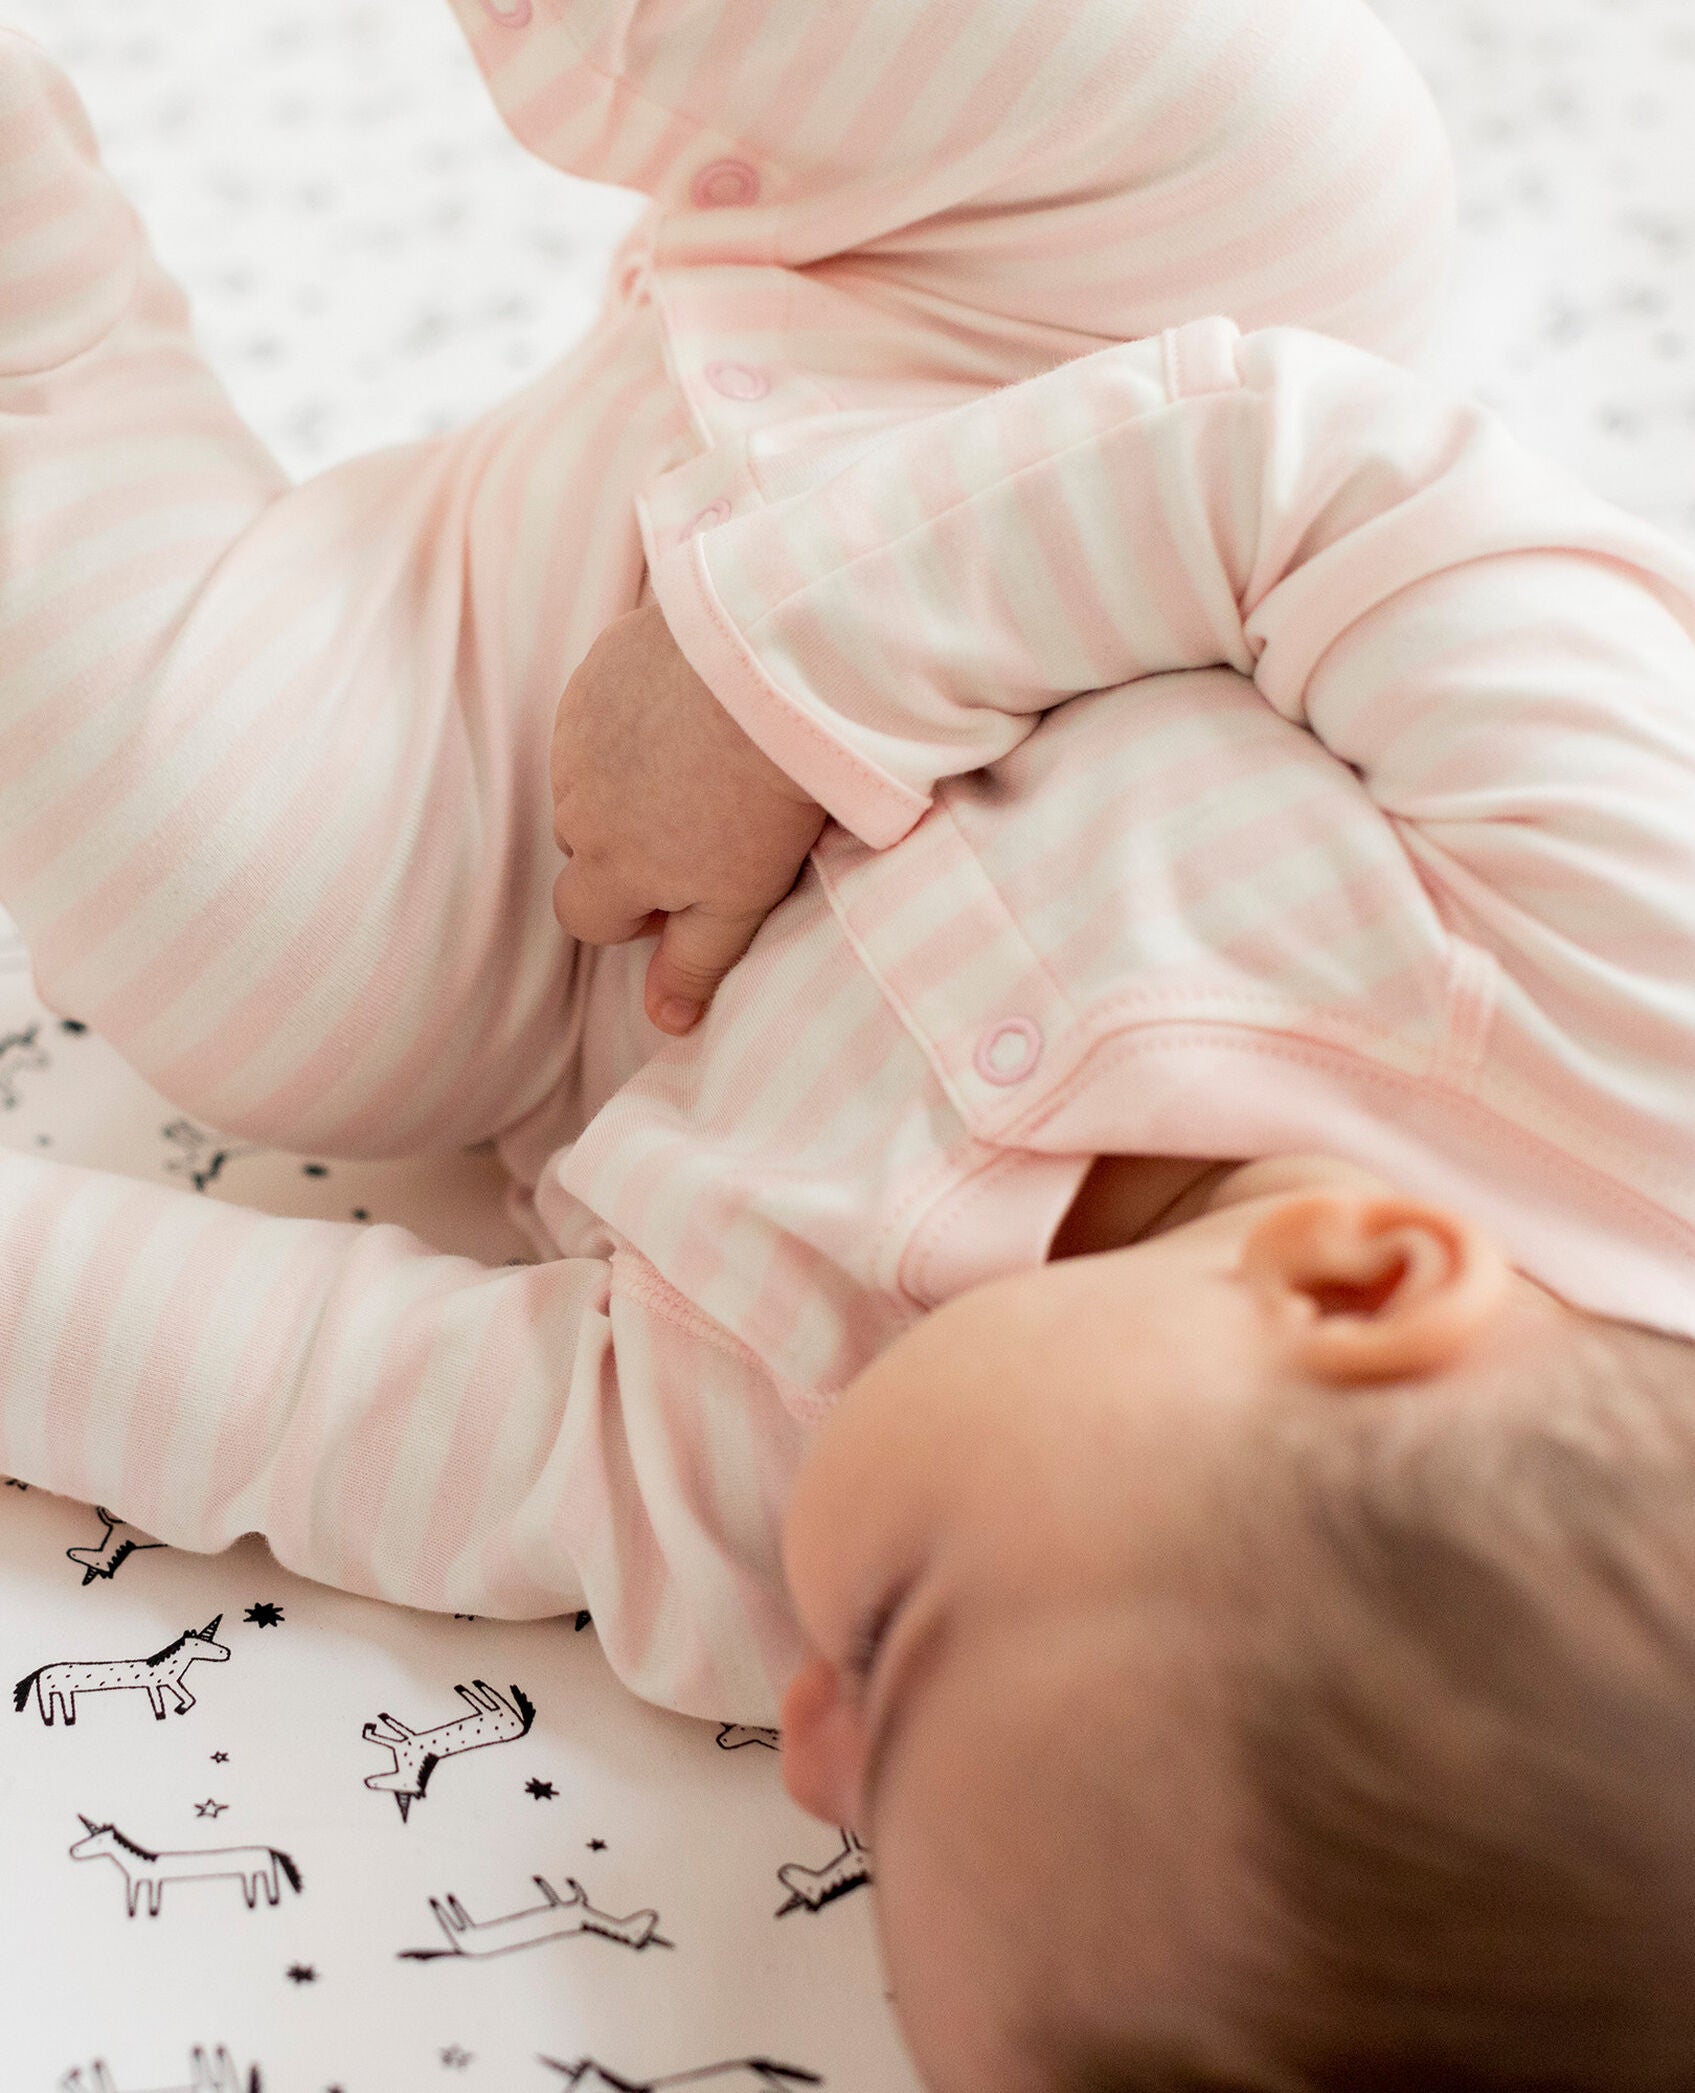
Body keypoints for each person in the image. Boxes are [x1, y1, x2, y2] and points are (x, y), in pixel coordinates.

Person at [9, 5, 1695, 2084]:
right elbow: (1301, 472)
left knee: (261, 964)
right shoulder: (1636, 1010)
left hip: (529, 856)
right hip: (1013, 365)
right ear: (1356, 1287)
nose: (804, 1748)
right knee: (1279, 140)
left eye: (861, 1853)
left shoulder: (764, 1492)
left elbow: (310, 1399)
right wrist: (773, 676)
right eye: (902, 1660)